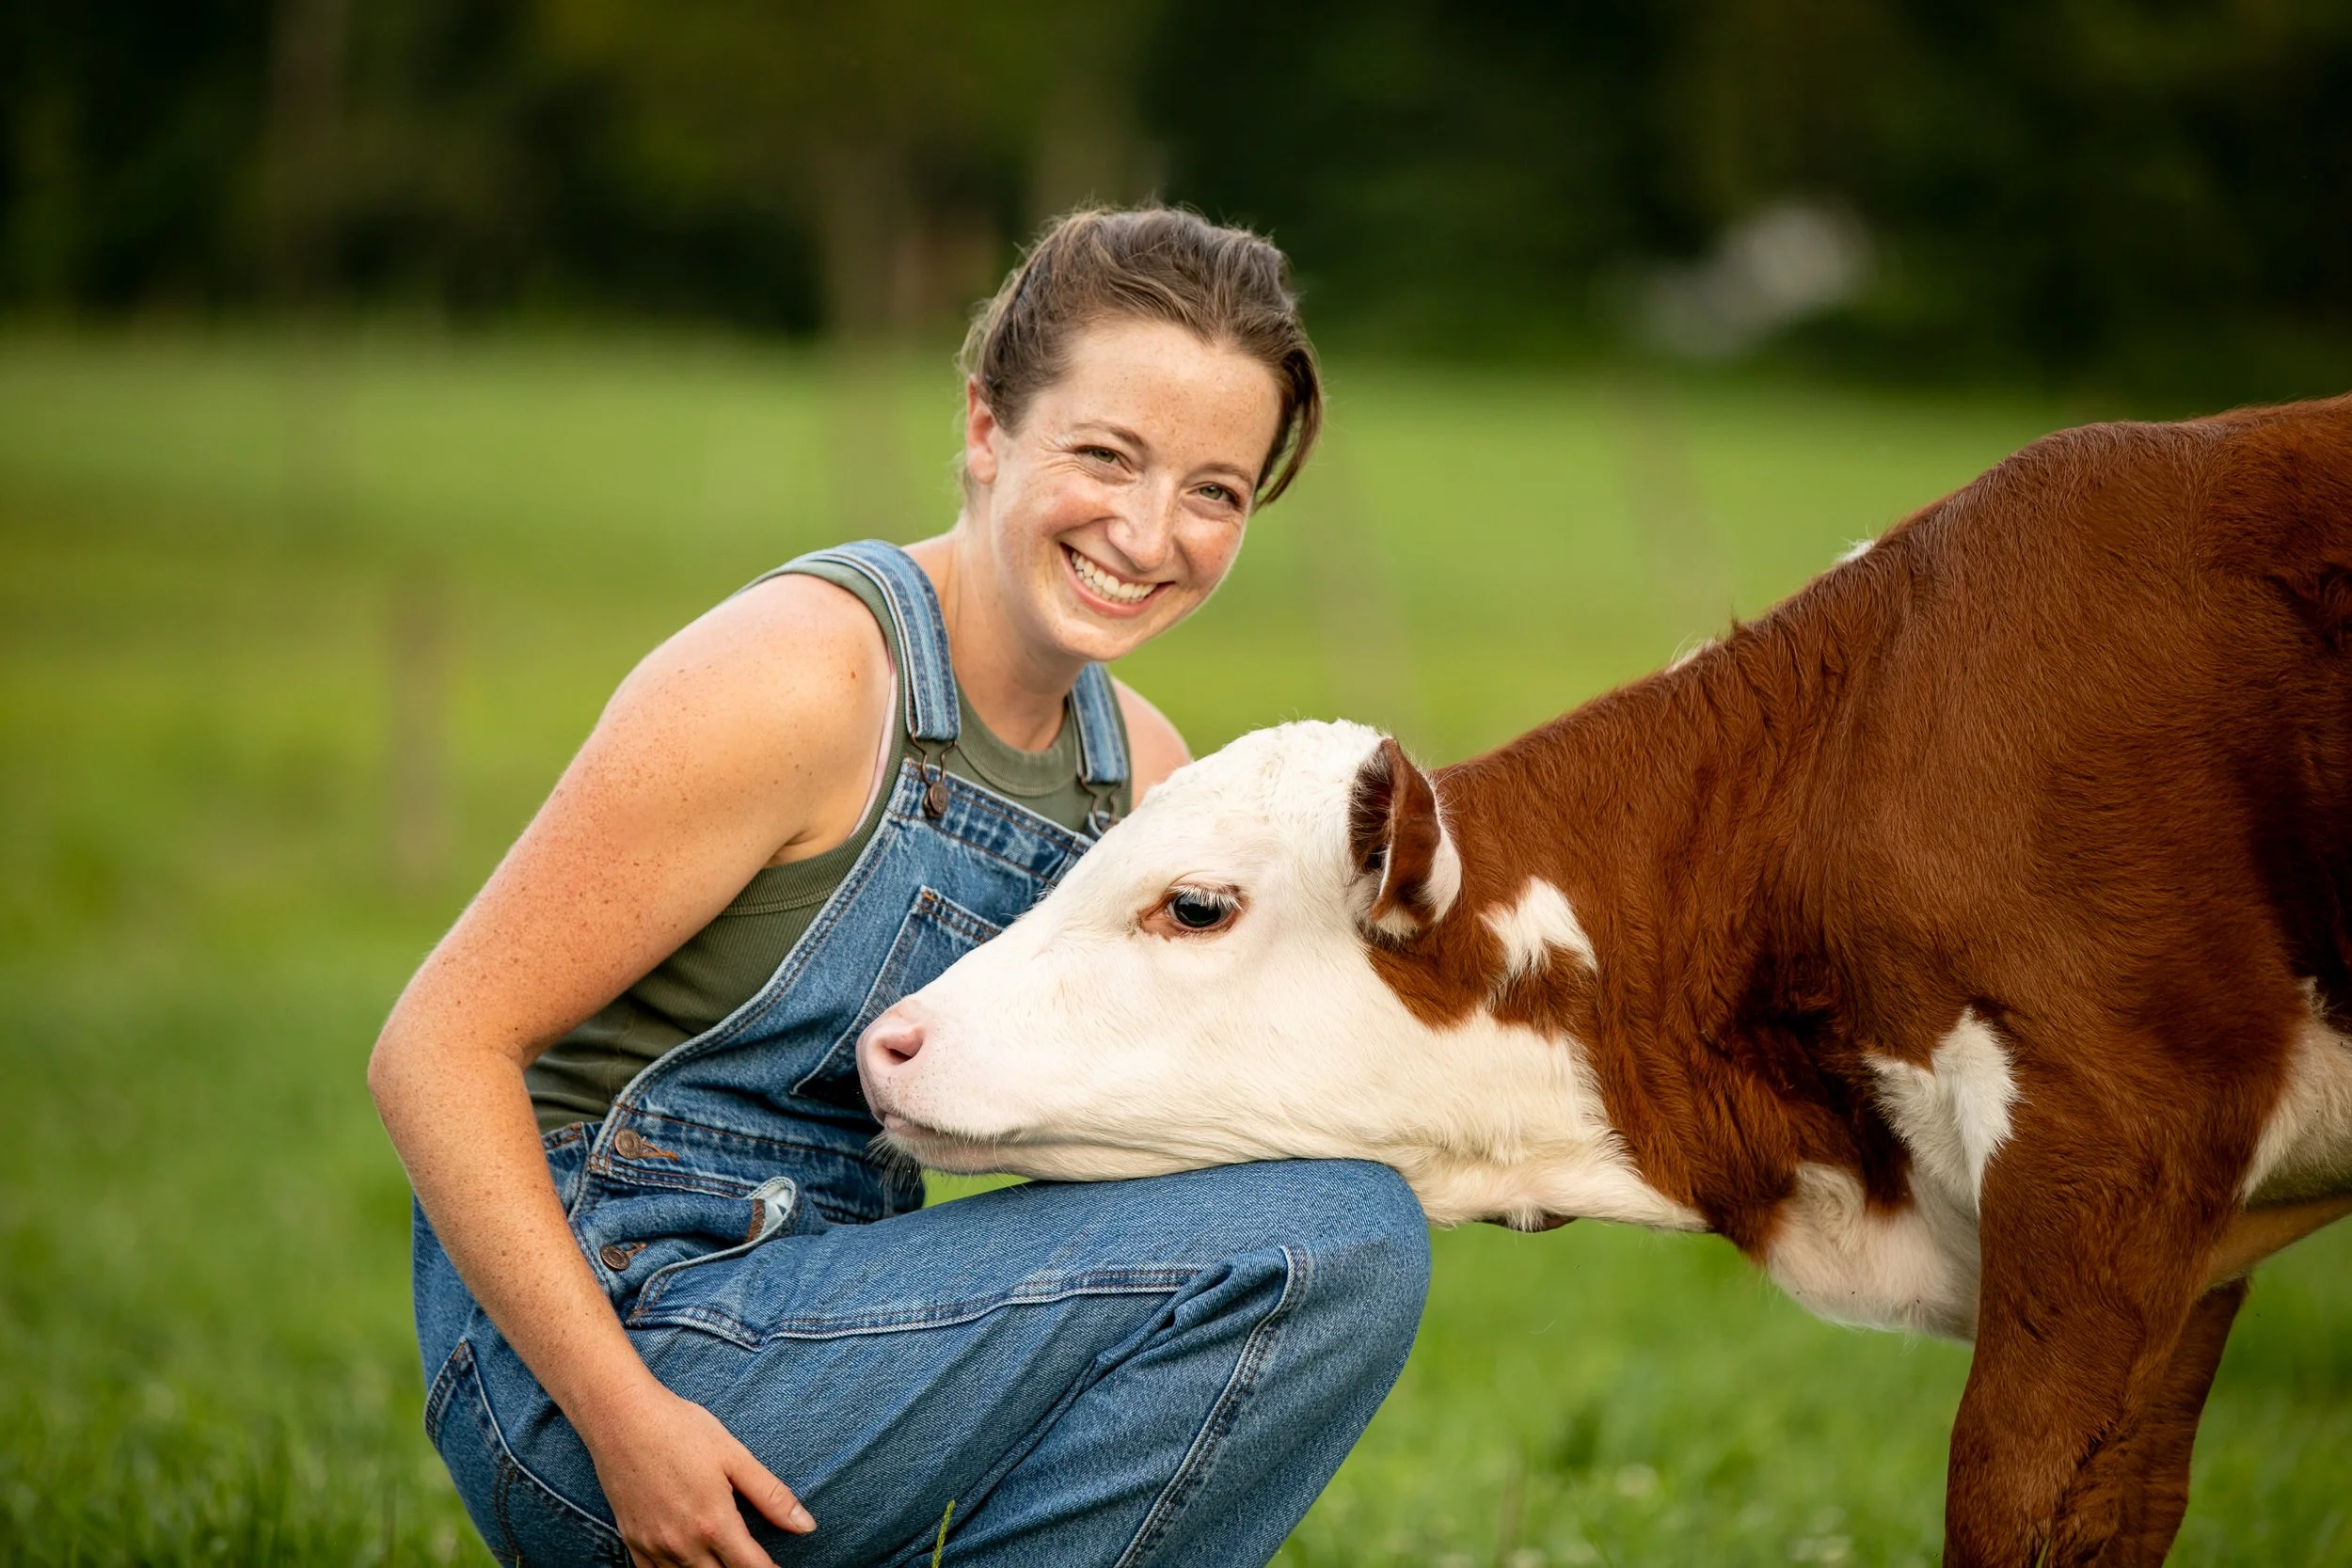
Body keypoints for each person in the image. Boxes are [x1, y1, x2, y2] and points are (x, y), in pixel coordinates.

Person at [370, 206, 1431, 1568]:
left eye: (1216, 490)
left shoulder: (1138, 776)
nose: (1151, 531)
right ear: (988, 428)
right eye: (1106, 455)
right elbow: (434, 1050)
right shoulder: (809, 678)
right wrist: (627, 1422)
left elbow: (1186, 1158)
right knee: (1334, 1238)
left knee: (1336, 1221)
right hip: (606, 1363)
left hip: (841, 1320)